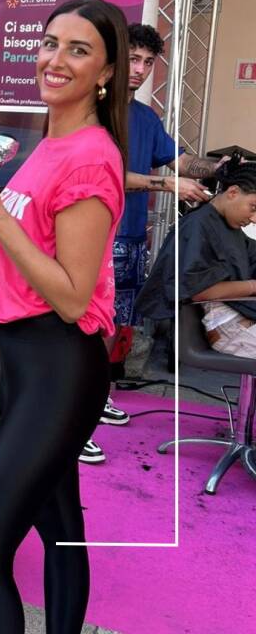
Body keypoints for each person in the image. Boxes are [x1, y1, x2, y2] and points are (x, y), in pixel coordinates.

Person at [0, 0, 127, 634]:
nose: (55, 59)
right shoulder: (52, 143)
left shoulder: (90, 156)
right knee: (60, 528)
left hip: (59, 362)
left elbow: (74, 296)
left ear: (105, 72)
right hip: (25, 361)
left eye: (79, 50)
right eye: (50, 43)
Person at [85, 24, 225, 464]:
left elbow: (181, 162)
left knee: (114, 325)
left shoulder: (145, 117)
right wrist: (167, 184)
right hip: (93, 235)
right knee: (86, 328)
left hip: (131, 236)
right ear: (114, 58)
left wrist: (223, 166)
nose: (140, 69)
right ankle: (72, 413)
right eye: (134, 59)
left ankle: (95, 398)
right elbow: (103, 174)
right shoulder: (92, 110)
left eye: (148, 62)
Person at [137, 159, 256, 356]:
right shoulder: (197, 226)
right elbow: (199, 290)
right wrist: (252, 286)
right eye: (253, 207)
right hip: (227, 327)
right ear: (233, 192)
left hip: (237, 317)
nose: (254, 219)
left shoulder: (228, 225)